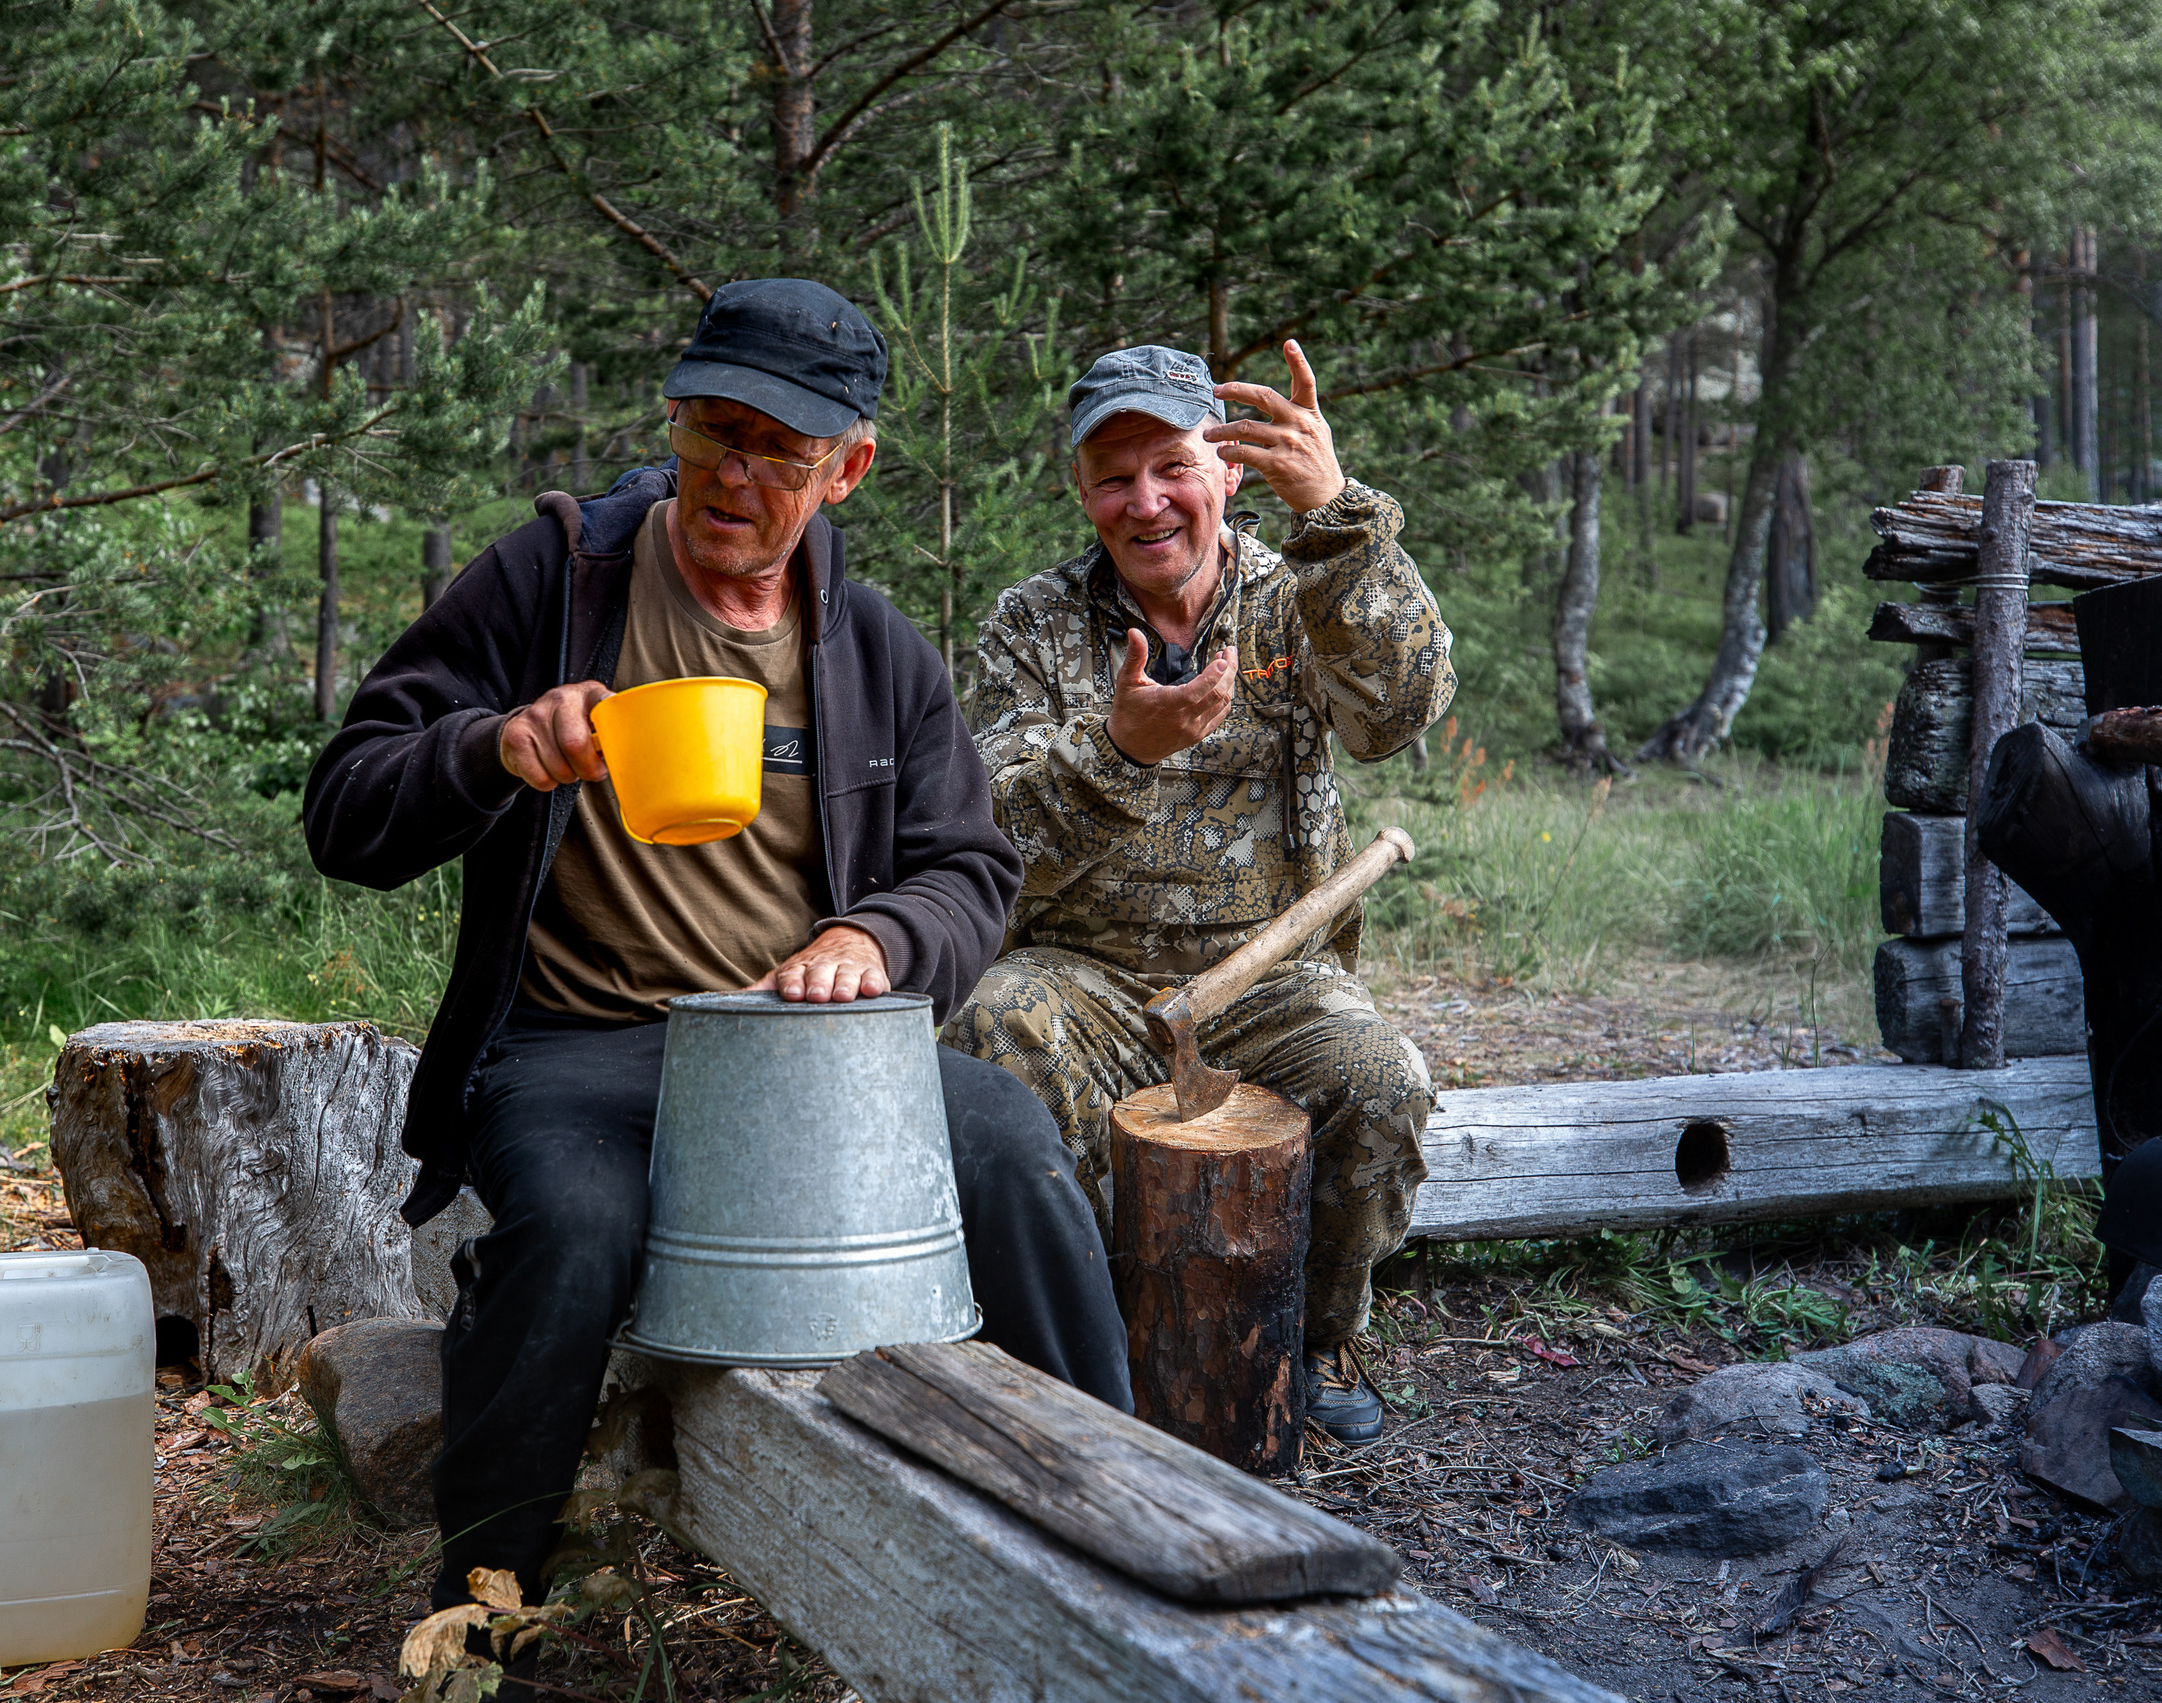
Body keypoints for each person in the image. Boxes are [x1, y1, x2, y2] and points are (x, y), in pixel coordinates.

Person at [303, 279, 1130, 1609]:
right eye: (710, 432)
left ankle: (1118, 1521)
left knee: (1014, 1149)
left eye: (777, 451)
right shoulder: (551, 584)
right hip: (575, 1048)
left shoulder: (870, 648)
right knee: (573, 1227)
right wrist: (498, 747)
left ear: (848, 466)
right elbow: (346, 807)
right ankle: (483, 1616)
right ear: (673, 417)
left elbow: (970, 864)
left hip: (800, 1056)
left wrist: (875, 933)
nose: (732, 476)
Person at [941, 339, 1454, 1446]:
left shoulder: (1296, 593)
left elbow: (1400, 713)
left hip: (1272, 975)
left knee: (1380, 1077)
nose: (1146, 501)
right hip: (1084, 974)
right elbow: (990, 842)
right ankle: (1094, 1339)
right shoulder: (1030, 626)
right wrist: (1117, 748)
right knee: (992, 1025)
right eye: (1114, 477)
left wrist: (1341, 517)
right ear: (1080, 491)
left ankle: (1309, 1334)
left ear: (1226, 470)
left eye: (1172, 465)